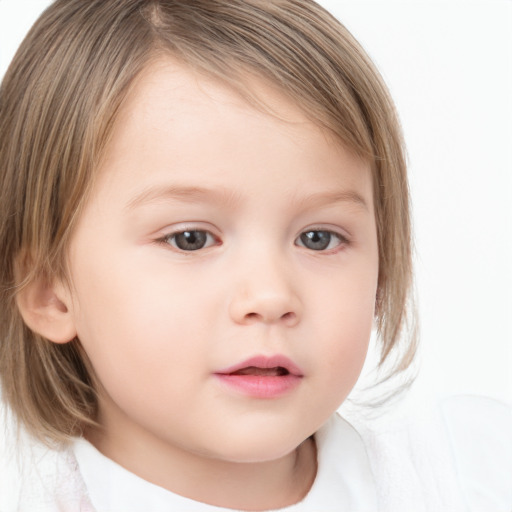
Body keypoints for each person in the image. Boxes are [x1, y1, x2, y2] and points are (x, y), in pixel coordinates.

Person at [0, 1, 509, 510]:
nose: (270, 297)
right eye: (190, 239)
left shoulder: (473, 477)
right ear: (48, 290)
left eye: (319, 238)